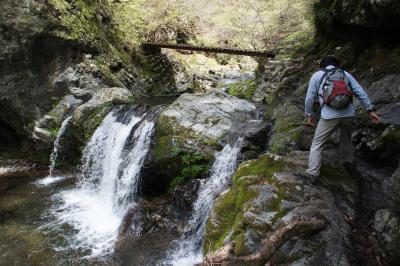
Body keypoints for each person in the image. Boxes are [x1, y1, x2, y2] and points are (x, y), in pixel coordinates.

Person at [303, 56, 380, 183]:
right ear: (336, 65)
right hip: (348, 114)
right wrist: (370, 110)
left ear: (322, 66)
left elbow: (309, 98)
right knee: (346, 139)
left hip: (329, 116)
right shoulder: (345, 74)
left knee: (317, 144)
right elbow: (360, 92)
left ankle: (313, 173)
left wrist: (310, 115)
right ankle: (348, 164)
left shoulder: (317, 75)